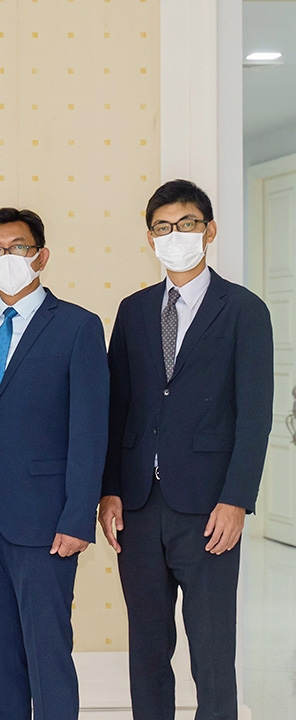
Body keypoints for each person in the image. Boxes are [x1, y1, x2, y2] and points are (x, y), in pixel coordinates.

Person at [100, 180, 273, 720]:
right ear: (150, 238)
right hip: (138, 506)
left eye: (187, 224)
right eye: (163, 227)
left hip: (209, 508)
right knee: (148, 649)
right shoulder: (132, 310)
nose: (175, 235)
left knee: (212, 652)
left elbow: (255, 416)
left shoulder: (244, 310)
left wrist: (236, 500)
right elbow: (117, 408)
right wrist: (109, 490)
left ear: (209, 230)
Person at [0, 208, 109, 720]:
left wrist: (78, 516)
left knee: (47, 655)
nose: (5, 257)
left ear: (41, 256)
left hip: (46, 523)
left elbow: (90, 429)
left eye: (18, 247)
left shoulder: (77, 326)